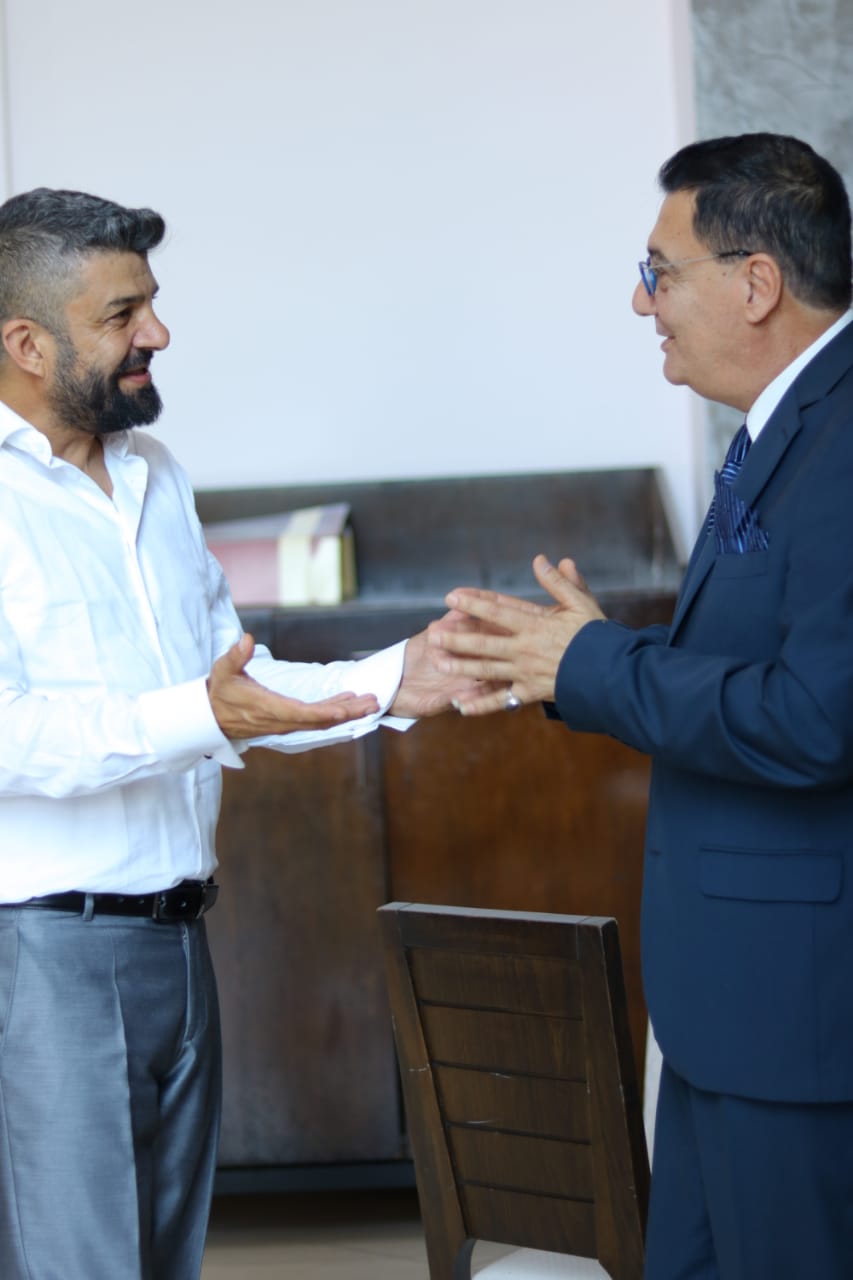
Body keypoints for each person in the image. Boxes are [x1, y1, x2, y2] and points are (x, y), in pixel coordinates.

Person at [0, 186, 479, 1280]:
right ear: (26, 343)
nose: (158, 333)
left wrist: (394, 679)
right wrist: (196, 714)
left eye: (151, 303)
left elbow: (231, 681)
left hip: (178, 941)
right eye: (122, 314)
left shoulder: (155, 474)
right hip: (44, 954)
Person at [428, 133, 853, 1278]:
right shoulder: (785, 424)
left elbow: (816, 718)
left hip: (796, 1016)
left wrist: (594, 664)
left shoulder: (843, 437)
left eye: (657, 272)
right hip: (733, 1005)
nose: (639, 301)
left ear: (755, 282)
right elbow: (765, 657)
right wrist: (574, 660)